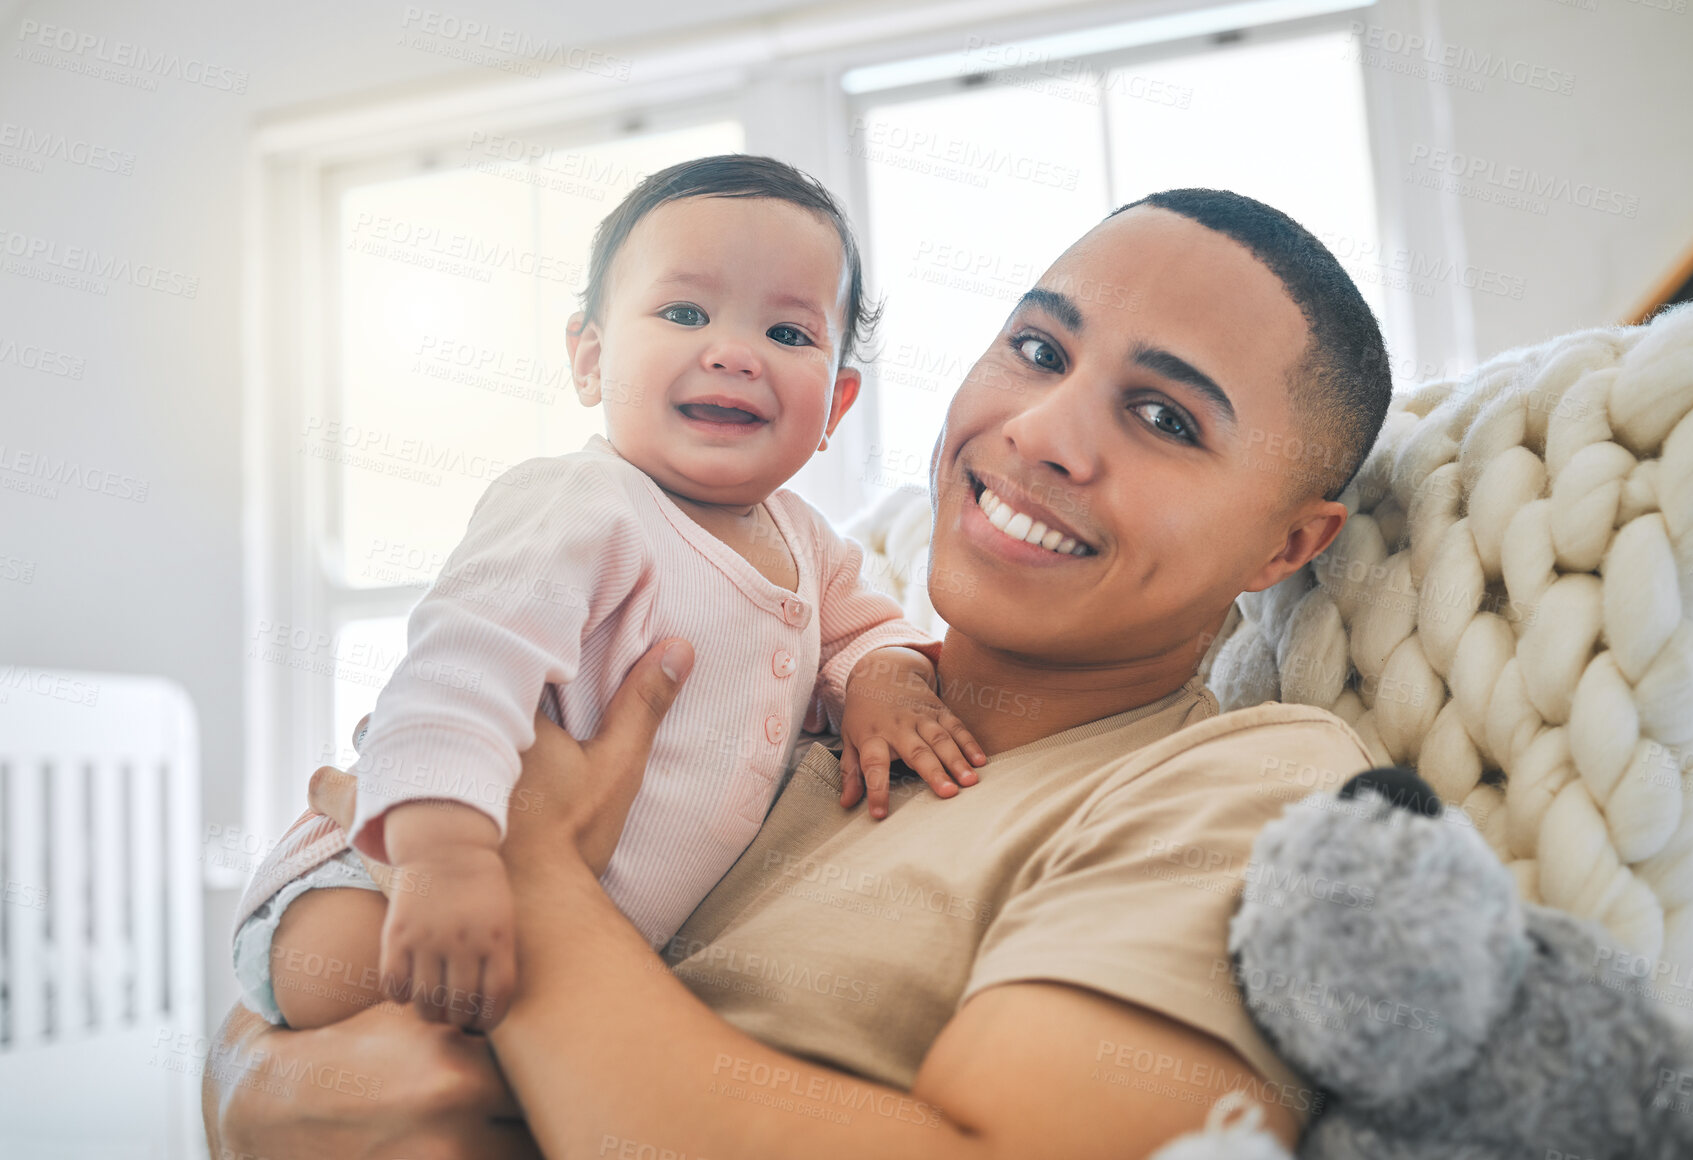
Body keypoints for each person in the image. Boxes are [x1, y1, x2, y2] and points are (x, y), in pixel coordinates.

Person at [204, 185, 1394, 1158]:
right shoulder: (766, 676)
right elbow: (316, 1014)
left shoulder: (1249, 783)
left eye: (1164, 417)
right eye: (1036, 349)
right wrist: (247, 1082)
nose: (1040, 432)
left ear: (1288, 544)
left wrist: (530, 880)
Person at [231, 154, 990, 1033]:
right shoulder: (580, 504)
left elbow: (866, 635)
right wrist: (444, 853)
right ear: (589, 360)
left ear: (836, 405)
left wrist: (885, 677)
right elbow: (453, 678)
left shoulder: (810, 542)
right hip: (387, 870)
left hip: (592, 931)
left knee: (525, 1060)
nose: (735, 353)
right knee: (353, 988)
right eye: (683, 312)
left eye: (788, 334)